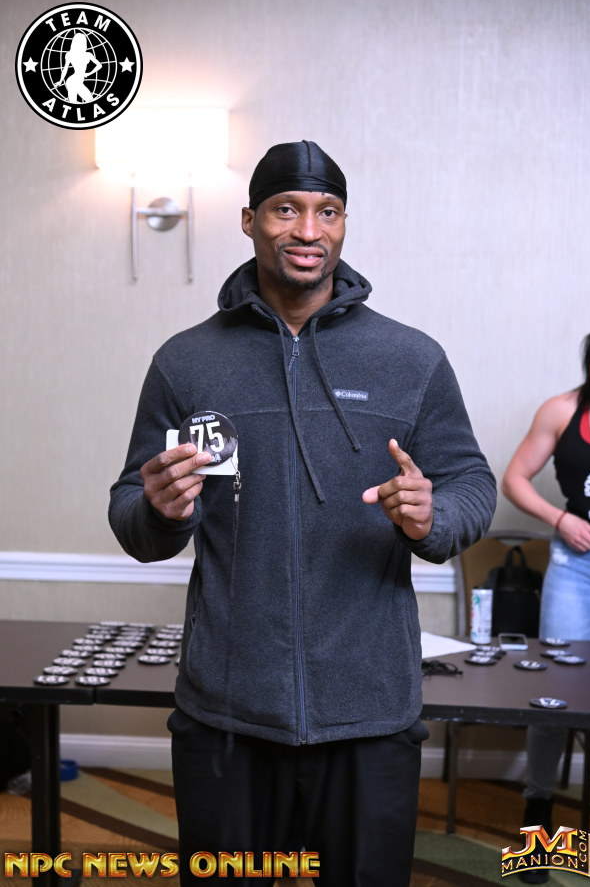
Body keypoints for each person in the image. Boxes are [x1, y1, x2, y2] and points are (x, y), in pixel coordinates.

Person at [109, 140, 496, 886]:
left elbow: (471, 485)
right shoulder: (185, 362)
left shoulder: (410, 358)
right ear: (250, 220)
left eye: (327, 212)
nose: (308, 230)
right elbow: (132, 511)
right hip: (227, 714)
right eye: (286, 210)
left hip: (370, 712)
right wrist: (158, 509)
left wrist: (432, 514)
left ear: (345, 223)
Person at [502, 326, 590, 885]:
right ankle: (539, 820)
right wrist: (561, 519)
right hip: (576, 565)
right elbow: (514, 478)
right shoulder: (561, 410)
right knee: (555, 693)